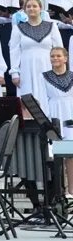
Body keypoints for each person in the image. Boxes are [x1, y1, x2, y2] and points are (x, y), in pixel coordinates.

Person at [9, 0, 63, 101]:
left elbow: (59, 49)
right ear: (24, 10)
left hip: (47, 66)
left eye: (34, 6)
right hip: (26, 69)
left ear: (40, 9)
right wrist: (15, 73)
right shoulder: (18, 28)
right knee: (29, 99)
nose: (31, 8)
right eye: (28, 6)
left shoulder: (52, 26)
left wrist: (60, 71)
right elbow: (14, 51)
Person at [43, 46, 73, 197]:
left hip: (70, 116)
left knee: (70, 154)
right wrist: (48, 120)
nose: (55, 58)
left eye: (58, 56)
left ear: (65, 58)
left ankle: (71, 191)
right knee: (56, 156)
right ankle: (58, 191)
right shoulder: (44, 77)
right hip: (54, 115)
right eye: (52, 56)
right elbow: (43, 99)